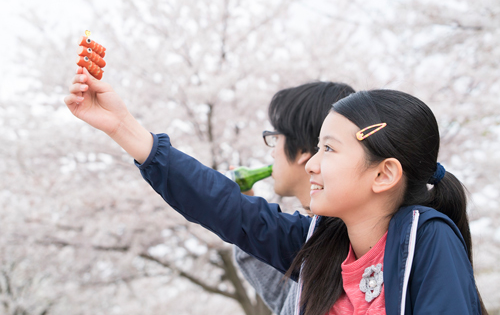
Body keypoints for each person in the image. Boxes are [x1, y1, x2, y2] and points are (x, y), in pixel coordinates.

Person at [66, 67, 487, 315]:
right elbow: (223, 206)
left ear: (384, 174)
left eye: (329, 149)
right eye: (316, 146)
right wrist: (122, 126)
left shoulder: (427, 238)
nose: (312, 163)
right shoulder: (318, 244)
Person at [234, 82, 355, 315]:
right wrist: (246, 211)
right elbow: (286, 298)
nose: (272, 151)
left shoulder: (348, 240)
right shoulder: (316, 234)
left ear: (301, 150)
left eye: (274, 138)